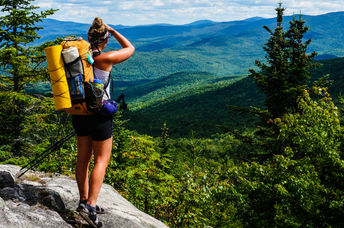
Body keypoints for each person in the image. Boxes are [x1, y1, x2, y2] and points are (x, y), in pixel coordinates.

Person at [72, 17, 135, 227]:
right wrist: (114, 31)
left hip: (80, 112)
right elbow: (130, 48)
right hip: (100, 114)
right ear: (105, 41)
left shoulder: (81, 58)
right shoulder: (105, 59)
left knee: (83, 158)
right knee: (101, 160)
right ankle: (91, 204)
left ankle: (83, 200)